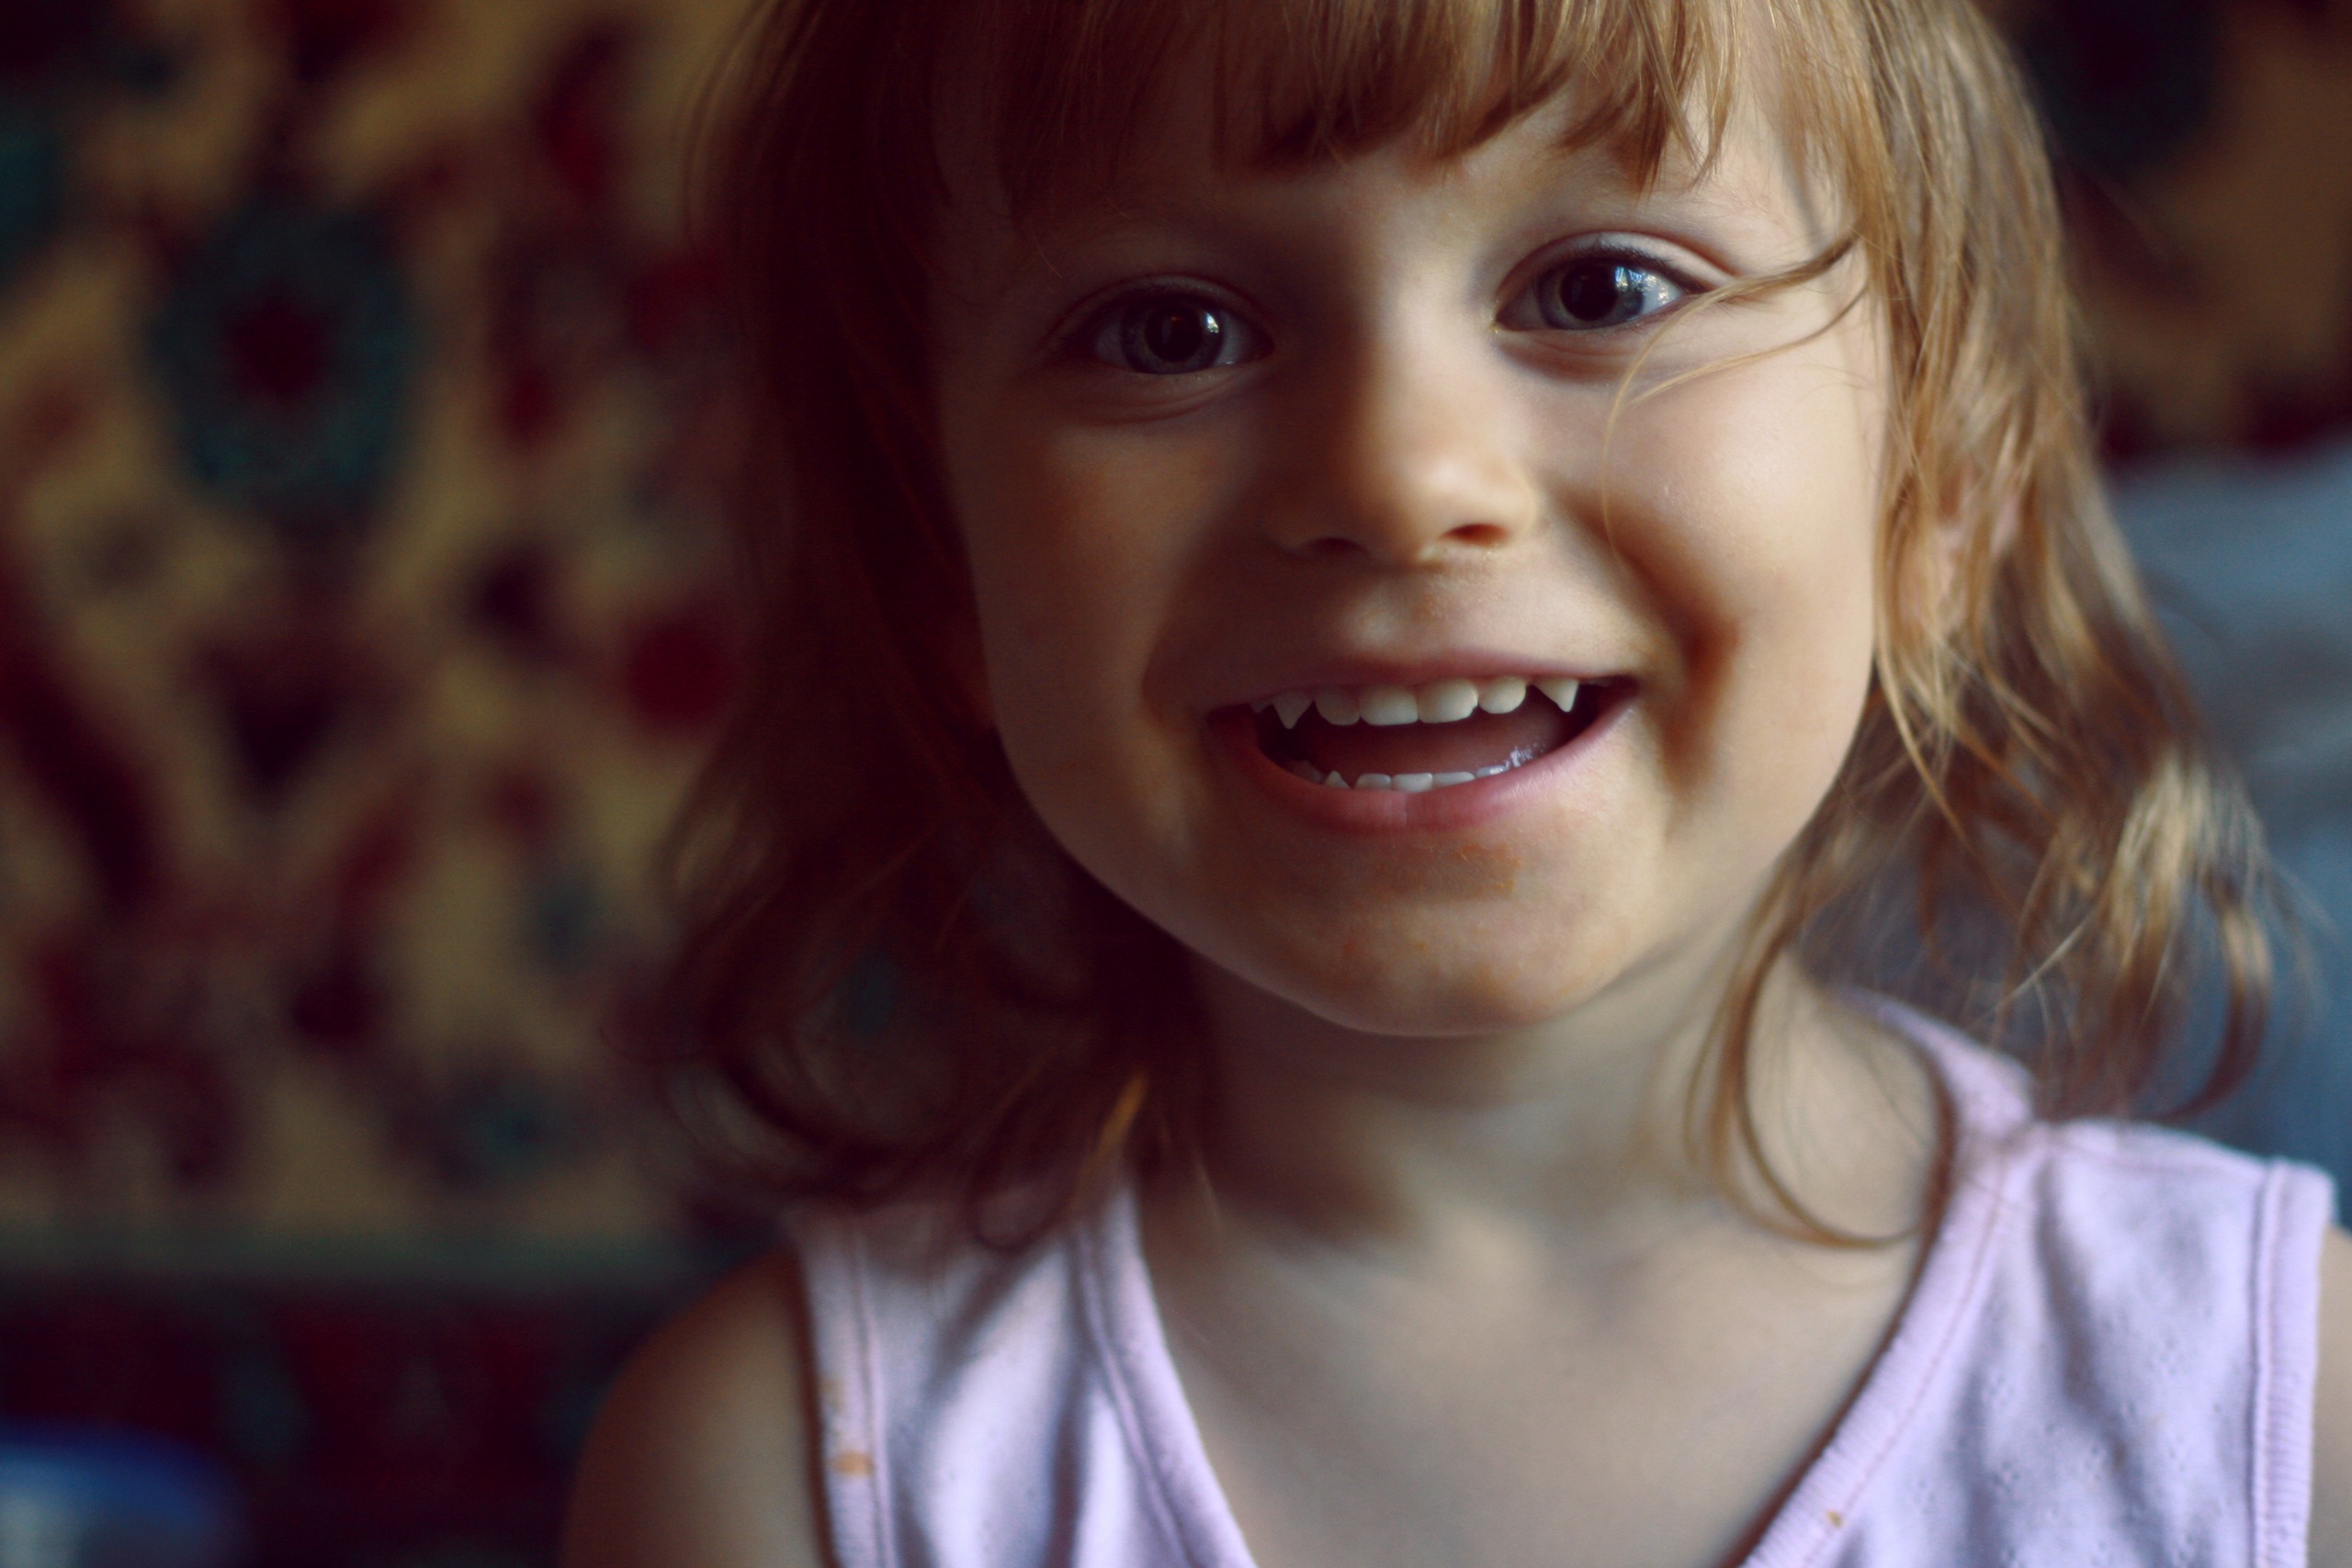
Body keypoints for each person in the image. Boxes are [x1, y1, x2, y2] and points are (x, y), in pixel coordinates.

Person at [562, 0, 2352, 1562]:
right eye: (1169, 332)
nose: (1400, 475)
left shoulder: (2276, 1425)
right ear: (940, 560)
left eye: (1602, 289)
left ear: (1938, 491)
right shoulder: (789, 1482)